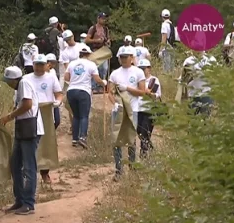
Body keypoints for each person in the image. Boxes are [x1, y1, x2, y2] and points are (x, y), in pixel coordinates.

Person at [1, 65, 43, 215]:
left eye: (8, 81)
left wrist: (10, 116)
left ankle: (28, 203)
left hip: (31, 129)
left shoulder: (24, 83)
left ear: (14, 80)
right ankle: (19, 200)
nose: (7, 83)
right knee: (15, 164)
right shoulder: (18, 88)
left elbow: (27, 105)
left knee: (28, 166)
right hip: (23, 129)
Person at [108, 46, 146, 181]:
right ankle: (118, 170)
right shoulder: (115, 74)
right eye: (122, 57)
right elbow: (110, 92)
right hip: (119, 109)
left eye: (126, 57)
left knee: (131, 139)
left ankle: (132, 166)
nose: (124, 59)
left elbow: (142, 92)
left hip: (133, 109)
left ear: (132, 58)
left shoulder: (138, 72)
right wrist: (115, 103)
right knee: (116, 138)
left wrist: (127, 88)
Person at [24, 53, 63, 184]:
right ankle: (28, 171)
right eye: (37, 64)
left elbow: (58, 94)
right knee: (31, 142)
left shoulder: (51, 78)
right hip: (30, 114)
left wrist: (57, 102)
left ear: (46, 65)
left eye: (42, 65)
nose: (39, 67)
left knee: (46, 143)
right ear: (33, 65)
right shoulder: (26, 79)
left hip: (46, 113)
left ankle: (45, 172)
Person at [64, 46, 107, 148]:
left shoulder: (72, 63)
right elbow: (97, 79)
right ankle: (83, 137)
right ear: (88, 54)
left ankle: (74, 139)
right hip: (83, 91)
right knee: (84, 115)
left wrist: (75, 80)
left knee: (76, 115)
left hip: (71, 91)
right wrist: (103, 83)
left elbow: (66, 77)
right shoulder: (91, 64)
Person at [137, 59, 161, 159]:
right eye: (140, 68)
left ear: (149, 68)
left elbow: (158, 95)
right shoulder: (136, 80)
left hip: (149, 109)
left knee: (145, 132)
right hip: (138, 109)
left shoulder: (154, 80)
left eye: (144, 68)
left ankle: (143, 154)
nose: (142, 70)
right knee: (139, 131)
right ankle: (149, 147)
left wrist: (149, 94)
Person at [183, 51, 216, 116]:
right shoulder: (188, 61)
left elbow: (215, 76)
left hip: (206, 94)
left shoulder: (211, 59)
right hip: (192, 95)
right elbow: (183, 79)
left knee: (205, 119)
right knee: (192, 119)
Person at [86, 12, 111, 94]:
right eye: (102, 18)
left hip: (103, 50)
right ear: (98, 18)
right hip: (95, 50)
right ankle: (94, 86)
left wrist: (108, 41)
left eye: (104, 18)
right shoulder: (93, 28)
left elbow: (108, 38)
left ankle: (101, 85)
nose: (104, 20)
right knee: (95, 68)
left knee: (104, 68)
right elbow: (87, 40)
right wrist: (96, 40)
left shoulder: (106, 29)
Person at [159, 9, 176, 73]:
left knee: (166, 68)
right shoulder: (171, 25)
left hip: (167, 48)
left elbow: (164, 37)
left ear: (162, 16)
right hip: (173, 47)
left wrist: (161, 49)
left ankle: (167, 80)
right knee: (172, 68)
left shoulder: (164, 25)